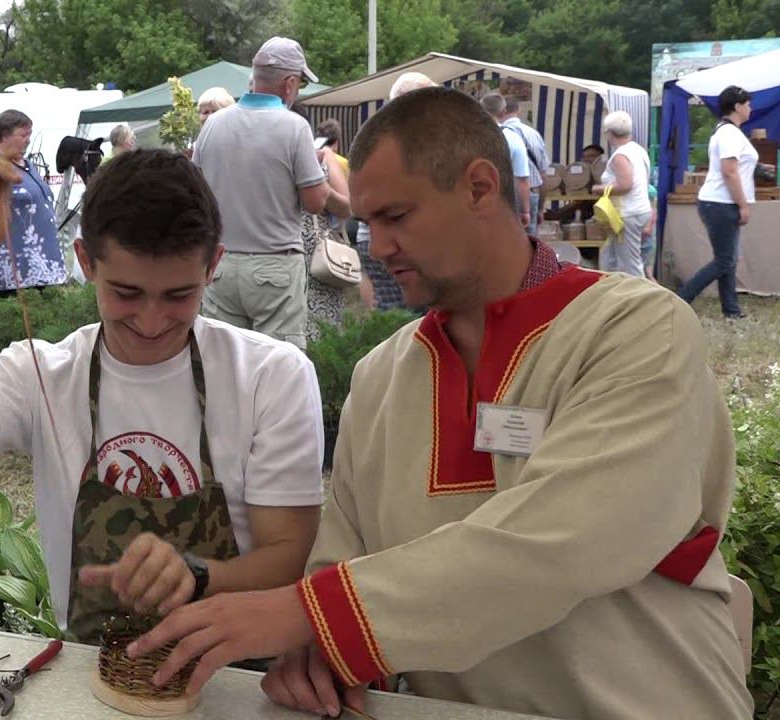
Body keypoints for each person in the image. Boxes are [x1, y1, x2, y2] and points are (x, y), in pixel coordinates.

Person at [126, 88, 752, 720]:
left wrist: (305, 614)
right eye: (368, 224)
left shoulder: (637, 329)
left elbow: (567, 538)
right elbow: (340, 555)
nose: (378, 245)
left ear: (480, 187)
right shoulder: (382, 376)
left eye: (397, 217)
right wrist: (320, 655)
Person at [0, 149, 324, 643]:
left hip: (234, 674)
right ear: (85, 260)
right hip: (93, 675)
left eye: (179, 295)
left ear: (214, 264)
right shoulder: (42, 373)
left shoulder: (270, 376)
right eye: (127, 293)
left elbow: (287, 557)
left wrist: (199, 576)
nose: (152, 322)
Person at [194, 37, 333, 349]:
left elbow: (196, 195)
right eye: (299, 84)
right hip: (275, 266)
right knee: (279, 366)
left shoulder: (213, 125)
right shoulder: (294, 127)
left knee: (223, 363)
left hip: (220, 263)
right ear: (289, 83)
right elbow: (315, 202)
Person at [351, 75, 436, 312]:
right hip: (401, 237)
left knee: (389, 312)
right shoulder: (418, 140)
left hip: (370, 236)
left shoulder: (372, 136)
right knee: (415, 312)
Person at [677, 86, 757, 319]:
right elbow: (729, 171)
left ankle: (731, 310)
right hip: (722, 203)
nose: (750, 108)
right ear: (737, 106)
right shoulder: (730, 134)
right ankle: (682, 298)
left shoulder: (725, 131)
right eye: (748, 104)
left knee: (728, 260)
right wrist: (743, 205)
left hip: (718, 202)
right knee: (724, 261)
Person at [0, 110, 67, 298]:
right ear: (4, 135)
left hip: (44, 266)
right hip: (16, 271)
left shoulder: (26, 163)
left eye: (30, 135)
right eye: (23, 135)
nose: (28, 140)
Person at [301, 141, 353, 341]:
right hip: (274, 258)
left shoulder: (323, 156)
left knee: (321, 333)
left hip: (317, 257)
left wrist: (318, 187)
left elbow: (346, 207)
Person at [592, 110, 651, 277]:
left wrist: (599, 189)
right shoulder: (638, 150)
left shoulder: (620, 156)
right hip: (639, 209)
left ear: (610, 133)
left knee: (630, 263)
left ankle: (641, 297)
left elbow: (626, 185)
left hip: (627, 213)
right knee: (611, 257)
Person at [482, 93, 532, 231]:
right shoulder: (513, 138)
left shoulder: (467, 137)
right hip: (505, 203)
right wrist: (525, 210)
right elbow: (522, 180)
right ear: (503, 111)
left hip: (473, 203)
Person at [500, 97, 548, 234]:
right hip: (530, 195)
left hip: (502, 196)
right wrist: (540, 209)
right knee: (529, 245)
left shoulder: (494, 134)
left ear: (502, 111)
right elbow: (543, 175)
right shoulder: (534, 135)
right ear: (519, 111)